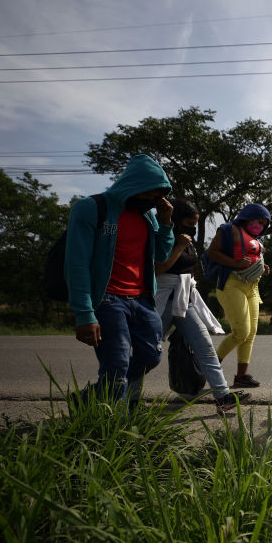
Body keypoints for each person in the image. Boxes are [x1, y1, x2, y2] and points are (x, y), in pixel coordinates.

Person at [65, 154, 174, 407]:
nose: (151, 200)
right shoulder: (92, 208)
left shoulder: (148, 216)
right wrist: (84, 314)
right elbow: (76, 263)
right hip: (107, 300)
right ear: (133, 185)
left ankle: (88, 399)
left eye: (157, 196)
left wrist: (166, 223)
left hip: (142, 299)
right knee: (116, 365)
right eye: (148, 194)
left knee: (151, 356)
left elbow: (161, 256)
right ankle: (114, 423)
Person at [155, 199, 250, 414]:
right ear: (176, 220)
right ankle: (128, 397)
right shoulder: (163, 237)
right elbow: (159, 268)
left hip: (184, 300)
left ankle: (222, 396)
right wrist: (179, 246)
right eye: (189, 223)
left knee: (206, 348)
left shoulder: (188, 242)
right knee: (148, 353)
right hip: (163, 301)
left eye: (195, 224)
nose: (193, 228)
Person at [204, 203, 271, 389]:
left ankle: (241, 376)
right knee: (241, 332)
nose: (260, 226)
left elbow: (254, 258)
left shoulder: (257, 239)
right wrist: (235, 263)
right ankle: (209, 369)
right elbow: (212, 252)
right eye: (258, 221)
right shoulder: (229, 230)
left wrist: (262, 268)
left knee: (250, 333)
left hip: (253, 287)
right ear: (248, 216)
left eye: (264, 224)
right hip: (231, 284)